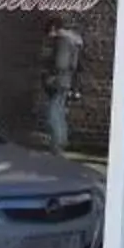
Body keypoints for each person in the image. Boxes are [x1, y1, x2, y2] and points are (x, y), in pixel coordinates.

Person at [38, 24, 83, 152]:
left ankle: (57, 144)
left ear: (53, 28)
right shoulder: (73, 41)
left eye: (48, 32)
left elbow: (60, 63)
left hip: (58, 80)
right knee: (60, 111)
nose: (48, 37)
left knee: (53, 113)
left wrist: (50, 75)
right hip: (66, 81)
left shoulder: (62, 41)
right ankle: (62, 140)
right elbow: (73, 65)